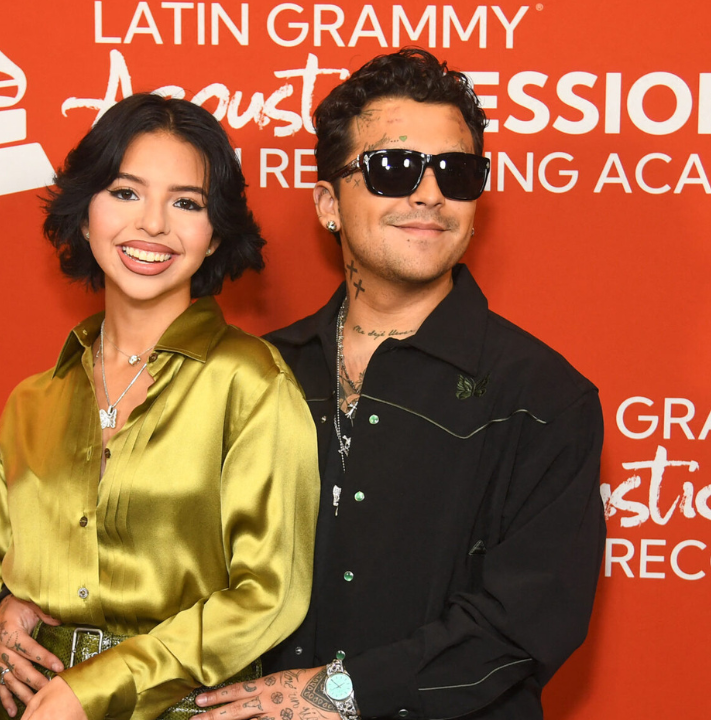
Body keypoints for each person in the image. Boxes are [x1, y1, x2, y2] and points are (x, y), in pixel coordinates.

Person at [190, 48, 607, 720]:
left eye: (457, 173)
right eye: (393, 168)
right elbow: (167, 556)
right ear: (328, 202)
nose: (430, 195)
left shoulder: (543, 399)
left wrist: (339, 692)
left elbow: (525, 623)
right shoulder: (256, 371)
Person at [0, 93, 320, 720]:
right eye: (125, 193)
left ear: (215, 234)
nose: (152, 224)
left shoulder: (251, 383)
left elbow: (269, 595)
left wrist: (94, 687)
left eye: (186, 203)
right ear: (85, 214)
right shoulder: (32, 401)